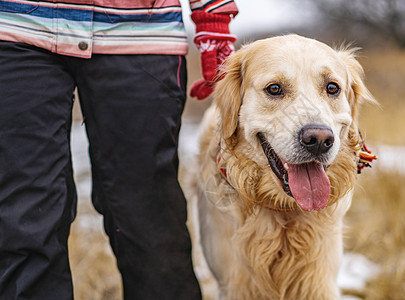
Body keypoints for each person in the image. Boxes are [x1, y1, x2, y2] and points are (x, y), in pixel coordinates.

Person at [0, 0, 238, 299]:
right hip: (15, 26)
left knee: (148, 216)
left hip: (140, 30)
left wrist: (212, 14)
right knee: (23, 217)